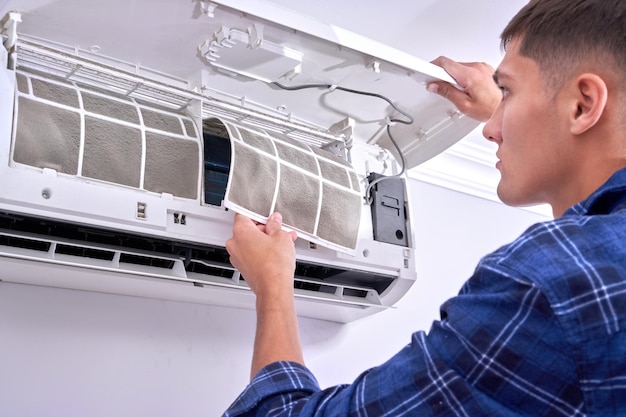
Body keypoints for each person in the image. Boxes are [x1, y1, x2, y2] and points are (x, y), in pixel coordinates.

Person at [222, 0, 626, 415]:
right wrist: (527, 109)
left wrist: (273, 286)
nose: (489, 129)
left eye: (508, 90)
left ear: (582, 104)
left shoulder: (547, 283)